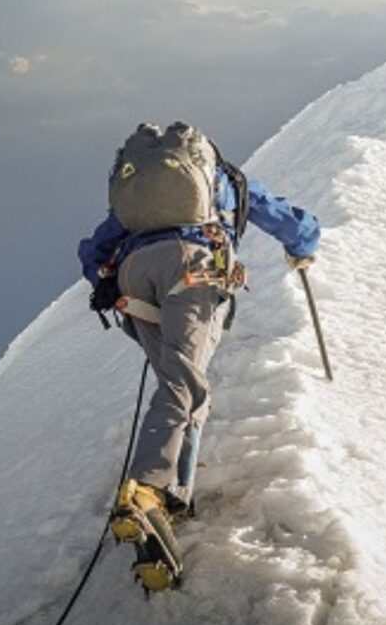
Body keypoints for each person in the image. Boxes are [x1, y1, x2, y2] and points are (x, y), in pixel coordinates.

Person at [78, 122, 320, 593]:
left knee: (182, 384)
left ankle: (173, 497)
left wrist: (104, 278)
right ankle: (147, 488)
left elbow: (94, 248)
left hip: (133, 281)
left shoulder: (135, 198)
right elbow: (287, 219)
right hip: (193, 266)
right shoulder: (224, 181)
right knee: (182, 384)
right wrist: (304, 249)